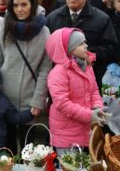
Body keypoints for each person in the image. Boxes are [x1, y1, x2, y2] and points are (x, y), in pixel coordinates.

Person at [0, 0, 52, 153]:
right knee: (5, 150)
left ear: (33, 5)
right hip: (3, 97)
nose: (19, 9)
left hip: (29, 99)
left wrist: (38, 100)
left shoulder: (44, 32)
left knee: (27, 149)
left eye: (24, 4)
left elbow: (45, 69)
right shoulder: (5, 27)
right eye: (15, 5)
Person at [46, 0, 119, 88]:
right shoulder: (52, 18)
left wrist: (86, 54)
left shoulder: (102, 19)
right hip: (60, 85)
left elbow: (112, 49)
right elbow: (46, 50)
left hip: (88, 84)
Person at [45, 27, 105, 155]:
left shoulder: (87, 66)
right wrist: (89, 115)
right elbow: (62, 104)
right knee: (70, 165)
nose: (86, 46)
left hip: (83, 129)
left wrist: (97, 107)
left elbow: (94, 90)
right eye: (81, 44)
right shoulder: (58, 72)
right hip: (66, 133)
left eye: (85, 42)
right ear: (69, 49)